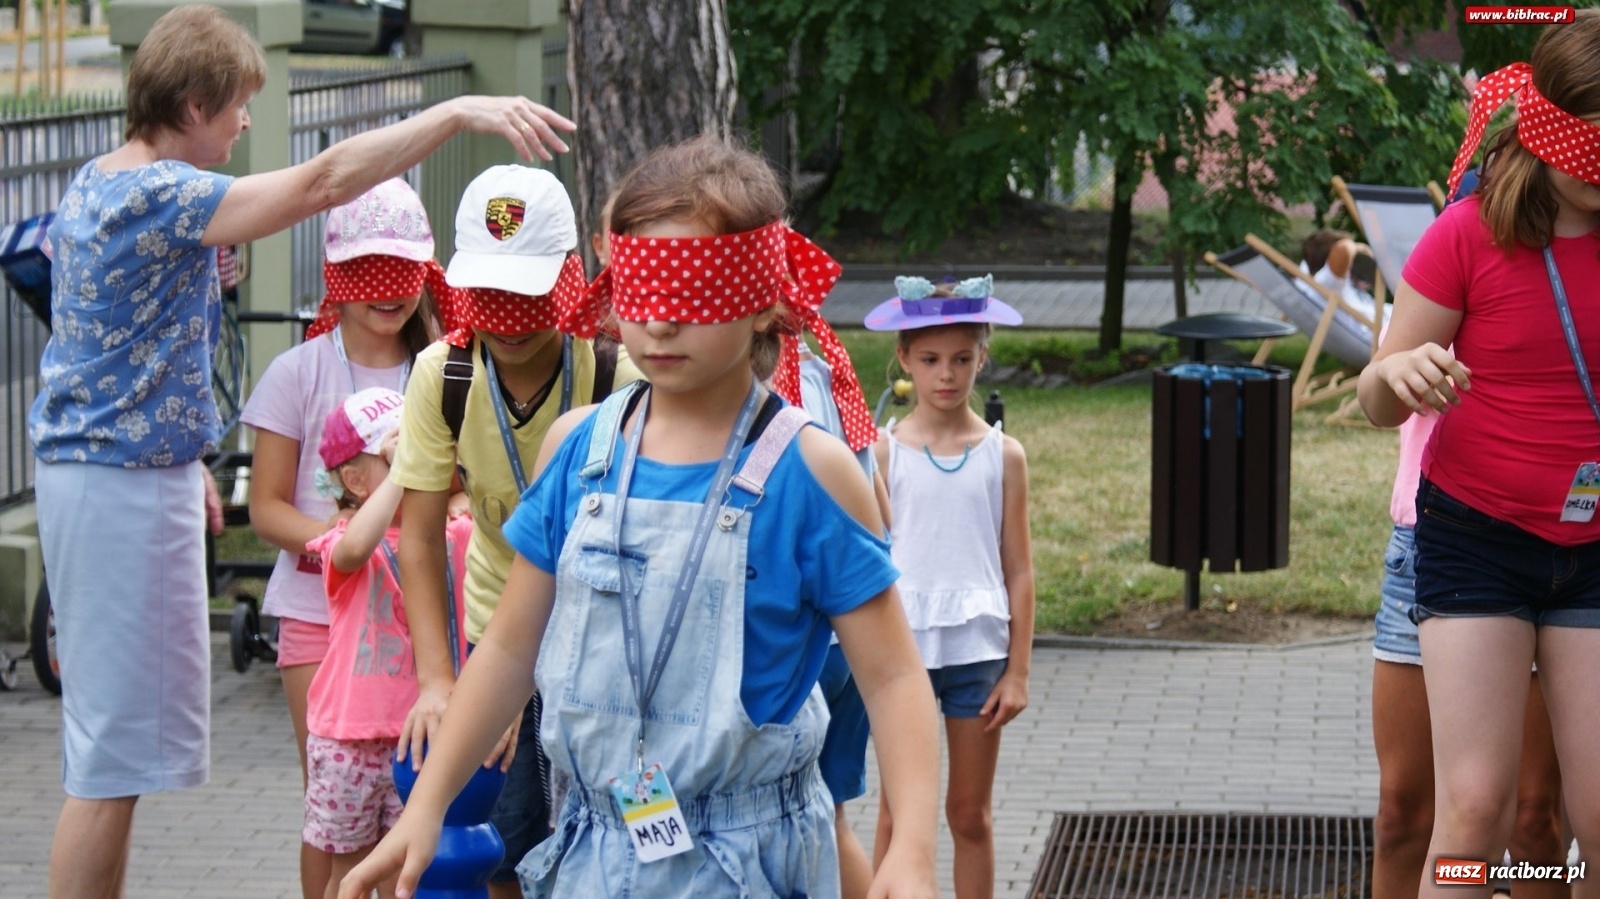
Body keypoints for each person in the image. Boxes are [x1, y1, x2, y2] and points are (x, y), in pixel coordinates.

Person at [26, 5, 571, 895]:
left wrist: (181, 461)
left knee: (120, 758)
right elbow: (324, 180)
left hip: (124, 474)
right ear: (194, 103)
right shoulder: (158, 193)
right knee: (107, 763)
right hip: (114, 485)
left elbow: (111, 342)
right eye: (238, 104)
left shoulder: (100, 180)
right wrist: (455, 114)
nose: (246, 123)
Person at [339, 135, 941, 899]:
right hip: (596, 849)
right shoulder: (577, 453)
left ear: (764, 299)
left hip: (751, 864)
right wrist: (427, 807)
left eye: (692, 293)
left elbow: (892, 675)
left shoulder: (811, 471)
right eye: (642, 290)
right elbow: (510, 648)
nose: (658, 322)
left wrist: (911, 847)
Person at [1356, 11, 1600, 896]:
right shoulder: (1468, 233)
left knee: (1592, 815)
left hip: (1592, 548)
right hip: (1476, 540)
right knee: (1473, 810)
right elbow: (1374, 396)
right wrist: (1399, 371)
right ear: (1551, 129)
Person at [388, 163, 640, 896]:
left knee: (617, 828)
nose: (509, 317)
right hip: (496, 632)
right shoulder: (444, 375)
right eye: (491, 292)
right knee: (502, 837)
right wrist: (441, 680)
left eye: (528, 293)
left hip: (602, 640)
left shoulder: (617, 376)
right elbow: (419, 537)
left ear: (569, 277)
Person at [242, 177, 457, 899]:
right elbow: (267, 507)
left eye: (403, 270)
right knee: (330, 810)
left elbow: (463, 486)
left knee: (414, 798)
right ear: (338, 275)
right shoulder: (296, 372)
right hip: (315, 618)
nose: (388, 290)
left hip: (417, 624)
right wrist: (344, 544)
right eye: (368, 270)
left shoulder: (445, 368)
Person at [867, 274, 1036, 899]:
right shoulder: (882, 454)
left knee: (969, 815)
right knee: (897, 819)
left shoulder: (1003, 455)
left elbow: (1019, 569)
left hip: (979, 656)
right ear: (905, 358)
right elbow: (869, 564)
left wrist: (1018, 672)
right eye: (932, 360)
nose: (947, 375)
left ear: (982, 357)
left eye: (962, 359)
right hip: (902, 658)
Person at [1368, 410, 1566, 898]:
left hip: (1554, 544)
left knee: (1532, 820)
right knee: (1401, 816)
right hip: (1435, 538)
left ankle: (1488, 885)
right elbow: (1379, 395)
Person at [302, 387, 473, 899]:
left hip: (419, 738)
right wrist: (403, 474)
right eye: (396, 453)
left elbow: (488, 509)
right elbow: (355, 550)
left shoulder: (449, 534)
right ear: (354, 481)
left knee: (409, 874)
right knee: (350, 870)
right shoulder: (342, 538)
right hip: (346, 743)